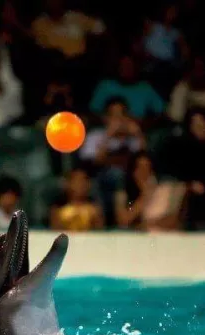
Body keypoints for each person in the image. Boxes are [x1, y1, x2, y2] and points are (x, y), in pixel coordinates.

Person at [158, 107, 205, 230]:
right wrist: (189, 185)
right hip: (190, 198)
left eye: (202, 123)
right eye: (195, 124)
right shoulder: (181, 150)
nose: (199, 128)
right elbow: (176, 175)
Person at [79, 97, 144, 225]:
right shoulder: (95, 136)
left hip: (131, 181)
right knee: (114, 175)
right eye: (114, 115)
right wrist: (108, 136)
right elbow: (94, 163)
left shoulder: (133, 138)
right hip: (100, 180)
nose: (119, 120)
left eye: (122, 115)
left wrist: (138, 134)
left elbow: (145, 160)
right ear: (105, 118)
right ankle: (106, 222)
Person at [114, 151, 186, 231]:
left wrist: (144, 225)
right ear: (132, 172)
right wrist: (144, 197)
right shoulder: (123, 192)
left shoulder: (164, 189)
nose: (144, 173)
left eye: (147, 169)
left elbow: (172, 220)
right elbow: (123, 221)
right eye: (140, 169)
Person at [89, 54, 165, 125]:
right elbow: (93, 113)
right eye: (123, 66)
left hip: (138, 130)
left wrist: (144, 123)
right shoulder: (106, 85)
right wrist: (108, 121)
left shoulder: (145, 88)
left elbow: (161, 112)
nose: (126, 69)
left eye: (129, 66)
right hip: (108, 130)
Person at [30, 0, 104, 60]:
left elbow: (100, 28)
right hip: (55, 67)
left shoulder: (77, 17)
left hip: (81, 64)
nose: (53, 2)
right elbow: (38, 48)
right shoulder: (39, 24)